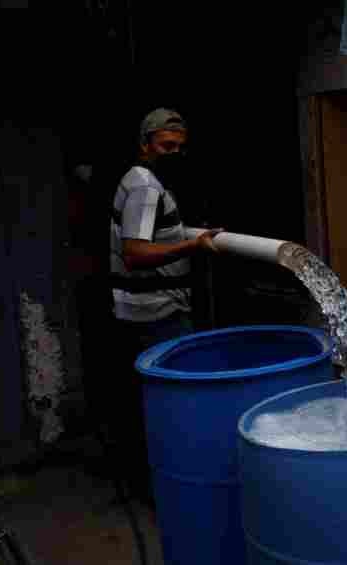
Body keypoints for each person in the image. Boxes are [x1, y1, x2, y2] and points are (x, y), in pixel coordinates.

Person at [107, 108, 223, 504]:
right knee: (174, 407)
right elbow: (136, 252)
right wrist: (192, 244)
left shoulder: (144, 182)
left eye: (179, 147)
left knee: (154, 404)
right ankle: (172, 492)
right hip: (155, 312)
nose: (173, 153)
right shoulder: (145, 188)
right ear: (145, 144)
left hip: (148, 309)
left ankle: (154, 487)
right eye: (165, 145)